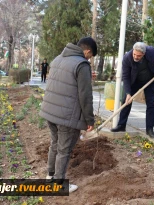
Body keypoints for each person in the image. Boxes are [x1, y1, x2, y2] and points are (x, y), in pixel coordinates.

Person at [39, 37, 97, 192]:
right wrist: (89, 119)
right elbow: (85, 95)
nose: (89, 59)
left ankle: (50, 176)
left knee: (55, 144)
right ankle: (58, 185)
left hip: (50, 111)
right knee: (64, 149)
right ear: (87, 51)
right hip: (66, 115)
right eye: (90, 56)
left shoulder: (58, 58)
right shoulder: (81, 64)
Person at [110, 42, 154, 138]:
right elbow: (126, 77)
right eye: (134, 54)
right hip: (134, 81)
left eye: (139, 56)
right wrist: (128, 93)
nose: (136, 57)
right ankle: (121, 125)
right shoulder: (127, 57)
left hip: (149, 80)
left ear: (144, 54)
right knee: (126, 101)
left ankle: (149, 129)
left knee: (150, 104)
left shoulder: (151, 51)